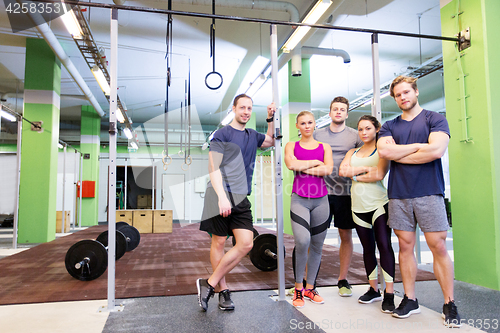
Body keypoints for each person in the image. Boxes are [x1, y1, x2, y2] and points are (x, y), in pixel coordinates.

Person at [377, 76, 461, 327]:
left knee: (438, 246)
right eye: (398, 95)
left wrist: (401, 151)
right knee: (405, 247)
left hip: (429, 192)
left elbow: (436, 151)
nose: (403, 97)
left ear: (415, 92)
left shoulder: (434, 119)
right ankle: (410, 299)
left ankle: (449, 302)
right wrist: (418, 147)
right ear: (395, 98)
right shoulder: (389, 126)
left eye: (406, 92)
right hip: (399, 194)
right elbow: (384, 152)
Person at [196, 94, 275, 312]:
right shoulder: (222, 134)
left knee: (247, 244)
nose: (246, 112)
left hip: (241, 197)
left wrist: (270, 119)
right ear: (234, 109)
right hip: (219, 194)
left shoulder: (252, 135)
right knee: (219, 243)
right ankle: (223, 291)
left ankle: (209, 283)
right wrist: (222, 196)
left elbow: (271, 140)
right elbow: (214, 168)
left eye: (249, 108)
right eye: (242, 107)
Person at [339, 115, 395, 313]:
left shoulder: (382, 150)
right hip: (358, 207)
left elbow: (379, 174)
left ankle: (389, 293)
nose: (364, 132)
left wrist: (353, 172)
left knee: (384, 246)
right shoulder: (352, 151)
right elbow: (342, 171)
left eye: (368, 128)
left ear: (376, 128)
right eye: (361, 129)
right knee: (367, 248)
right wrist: (362, 171)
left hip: (379, 204)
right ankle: (373, 289)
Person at [314, 96, 363, 297]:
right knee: (315, 238)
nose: (338, 112)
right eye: (335, 109)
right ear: (330, 112)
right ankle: (310, 282)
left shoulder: (355, 136)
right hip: (322, 193)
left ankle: (343, 280)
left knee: (345, 235)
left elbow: (366, 154)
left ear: (347, 113)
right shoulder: (317, 134)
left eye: (342, 109)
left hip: (346, 193)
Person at [284, 111, 333, 308]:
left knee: (317, 246)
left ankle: (310, 288)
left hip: (321, 201)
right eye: (302, 123)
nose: (306, 126)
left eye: (310, 122)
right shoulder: (291, 145)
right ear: (297, 126)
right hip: (299, 200)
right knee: (302, 241)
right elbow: (290, 164)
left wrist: (301, 166)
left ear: (315, 125)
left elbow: (328, 169)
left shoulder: (324, 147)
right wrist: (315, 163)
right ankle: (298, 288)